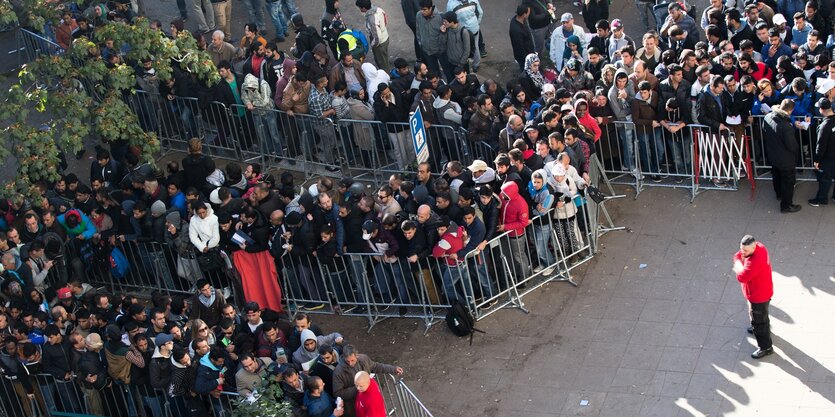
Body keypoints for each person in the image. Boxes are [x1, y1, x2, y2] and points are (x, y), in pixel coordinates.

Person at [733, 235, 774, 359]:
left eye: (745, 250)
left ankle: (765, 347)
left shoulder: (754, 261)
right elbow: (737, 255)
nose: (742, 252)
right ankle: (760, 327)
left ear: (753, 247)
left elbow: (741, 277)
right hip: (763, 290)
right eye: (741, 248)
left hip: (757, 295)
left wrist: (739, 266)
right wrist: (740, 261)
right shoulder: (760, 247)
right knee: (762, 315)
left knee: (759, 321)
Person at [763, 99, 801, 212]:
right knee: (788, 182)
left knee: (776, 176)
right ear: (790, 110)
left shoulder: (768, 117)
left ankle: (779, 194)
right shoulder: (786, 126)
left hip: (773, 155)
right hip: (786, 160)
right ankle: (786, 205)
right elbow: (792, 145)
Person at [810, 97, 835, 206]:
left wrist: (817, 160)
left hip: (828, 159)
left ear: (821, 109)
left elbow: (820, 146)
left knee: (824, 180)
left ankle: (821, 199)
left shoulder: (824, 126)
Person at [509, 5, 535, 72]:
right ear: (524, 14)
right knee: (526, 71)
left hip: (528, 52)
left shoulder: (521, 20)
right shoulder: (516, 30)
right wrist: (528, 60)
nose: (529, 14)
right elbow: (520, 48)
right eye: (528, 12)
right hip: (524, 57)